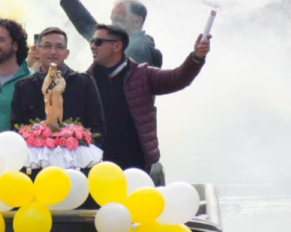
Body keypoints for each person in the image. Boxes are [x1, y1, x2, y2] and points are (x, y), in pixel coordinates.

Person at [87, 24, 211, 186]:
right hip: (98, 164)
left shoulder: (142, 75)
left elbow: (178, 78)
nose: (92, 46)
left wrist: (196, 57)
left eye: (98, 42)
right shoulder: (85, 80)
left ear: (118, 46)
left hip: (138, 163)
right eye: (92, 41)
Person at [45, 0, 163, 67]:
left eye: (118, 20)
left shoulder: (139, 49)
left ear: (137, 21)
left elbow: (92, 31)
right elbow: (90, 28)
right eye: (112, 20)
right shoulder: (120, 43)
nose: (111, 26)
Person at [11, 27, 106, 143]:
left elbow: (97, 127)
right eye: (47, 46)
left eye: (59, 47)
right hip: (36, 158)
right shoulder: (24, 87)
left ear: (66, 54)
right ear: (37, 51)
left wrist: (80, 147)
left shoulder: (84, 83)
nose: (53, 52)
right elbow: (16, 130)